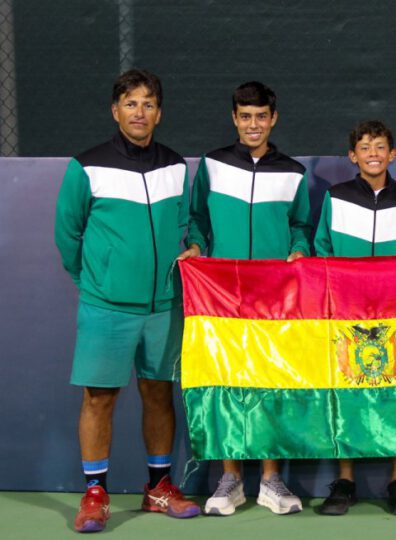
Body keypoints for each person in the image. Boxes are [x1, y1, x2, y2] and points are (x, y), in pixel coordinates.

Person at [55, 69, 200, 533]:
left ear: (160, 113)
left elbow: (188, 225)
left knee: (159, 394)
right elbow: (68, 234)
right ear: (115, 111)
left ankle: (158, 487)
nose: (140, 112)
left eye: (149, 103)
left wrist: (194, 246)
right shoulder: (86, 166)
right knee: (99, 398)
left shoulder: (175, 166)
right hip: (107, 307)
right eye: (131, 103)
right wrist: (96, 283)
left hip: (164, 305)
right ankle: (95, 494)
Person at [184, 81, 311, 516]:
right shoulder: (213, 164)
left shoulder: (293, 172)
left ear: (273, 119)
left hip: (275, 294)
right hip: (222, 292)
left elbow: (301, 225)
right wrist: (197, 247)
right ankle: (231, 480)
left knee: (272, 381)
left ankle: (271, 480)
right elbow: (197, 218)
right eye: (245, 116)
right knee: (227, 381)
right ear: (234, 119)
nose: (253, 124)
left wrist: (299, 249)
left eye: (260, 116)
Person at [313, 120, 396, 516]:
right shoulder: (336, 197)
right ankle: (346, 480)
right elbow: (322, 252)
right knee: (345, 392)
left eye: (380, 146)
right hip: (347, 314)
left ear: (392, 154)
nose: (373, 153)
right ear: (352, 156)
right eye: (365, 147)